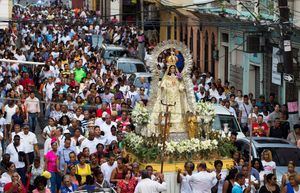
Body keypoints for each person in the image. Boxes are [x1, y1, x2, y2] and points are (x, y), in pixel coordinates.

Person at [147, 53, 194, 136]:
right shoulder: (166, 78)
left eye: (173, 68)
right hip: (168, 97)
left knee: (178, 111)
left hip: (176, 97)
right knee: (168, 111)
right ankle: (166, 124)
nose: (172, 69)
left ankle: (178, 126)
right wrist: (163, 87)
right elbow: (162, 84)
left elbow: (181, 85)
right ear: (169, 69)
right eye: (171, 68)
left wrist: (181, 87)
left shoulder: (178, 78)